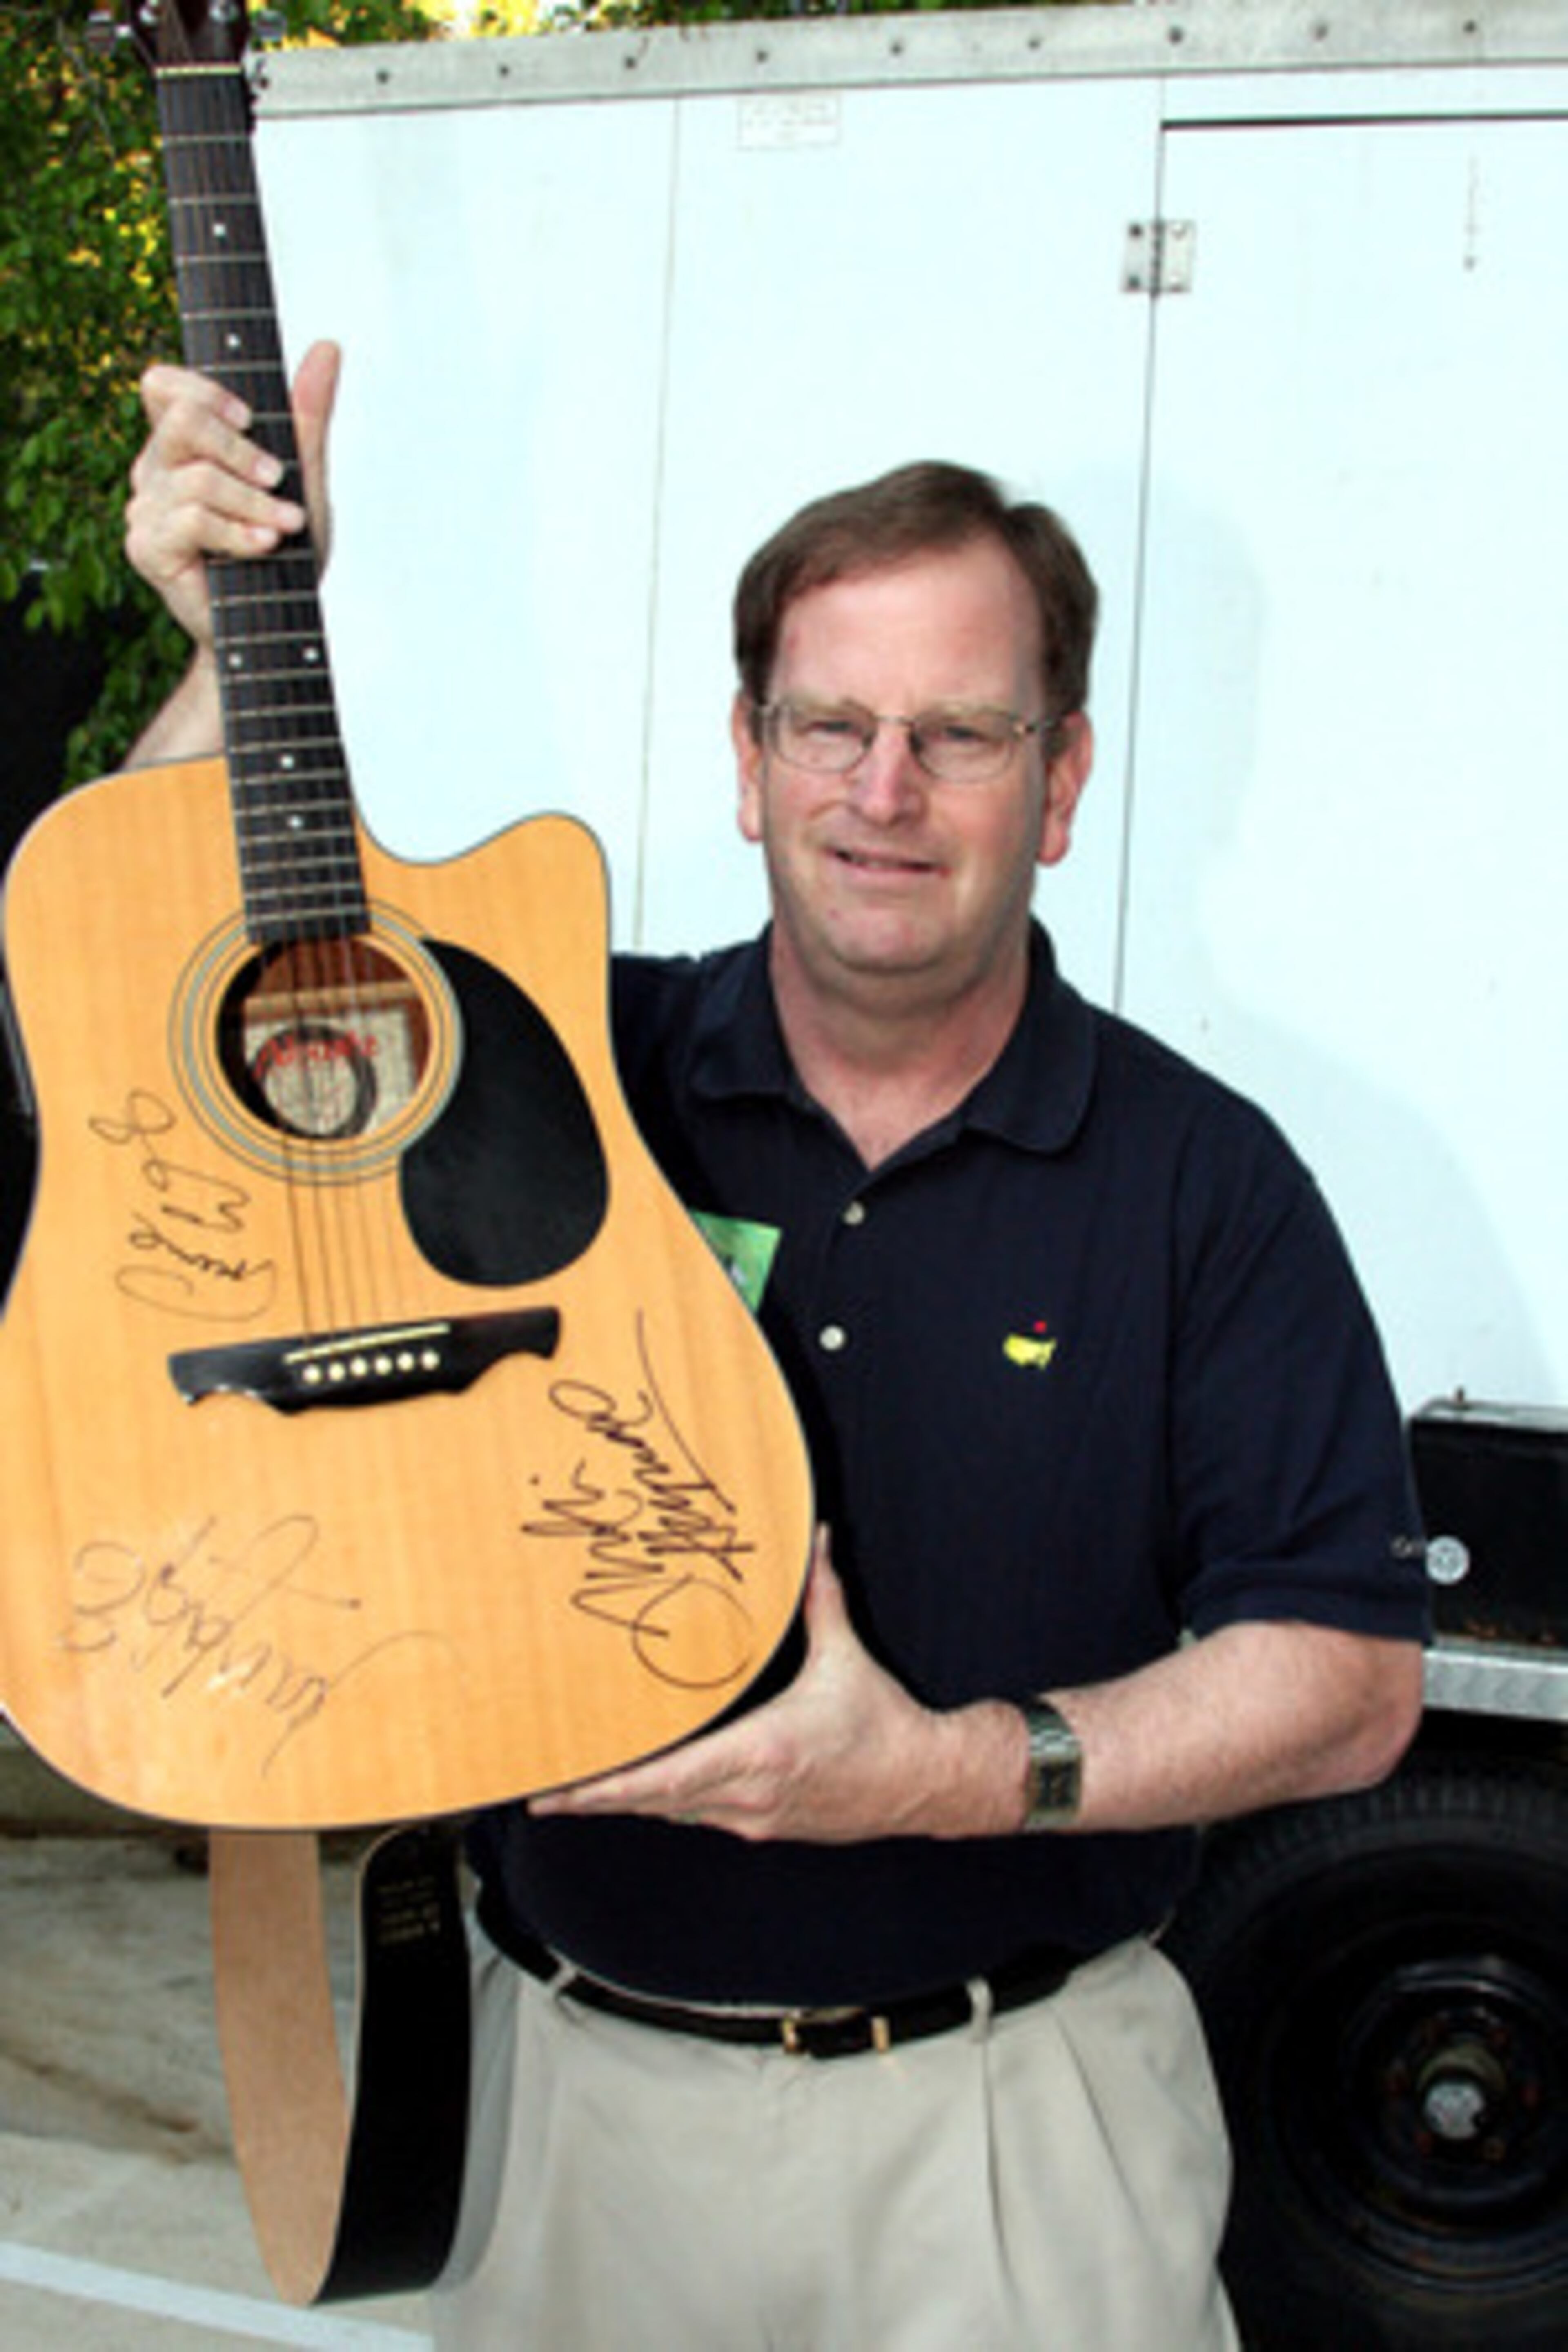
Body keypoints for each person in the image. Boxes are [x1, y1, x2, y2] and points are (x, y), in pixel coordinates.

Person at [125, 345, 1429, 2350]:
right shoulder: (559, 1060)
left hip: (1014, 2141)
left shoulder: (1205, 1182)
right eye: (828, 724)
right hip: (569, 2113)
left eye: (959, 733)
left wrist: (954, 1778)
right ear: (746, 758)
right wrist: (233, 642)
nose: (881, 792)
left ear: (1062, 781)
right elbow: (174, 1027)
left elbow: (1343, 1682)